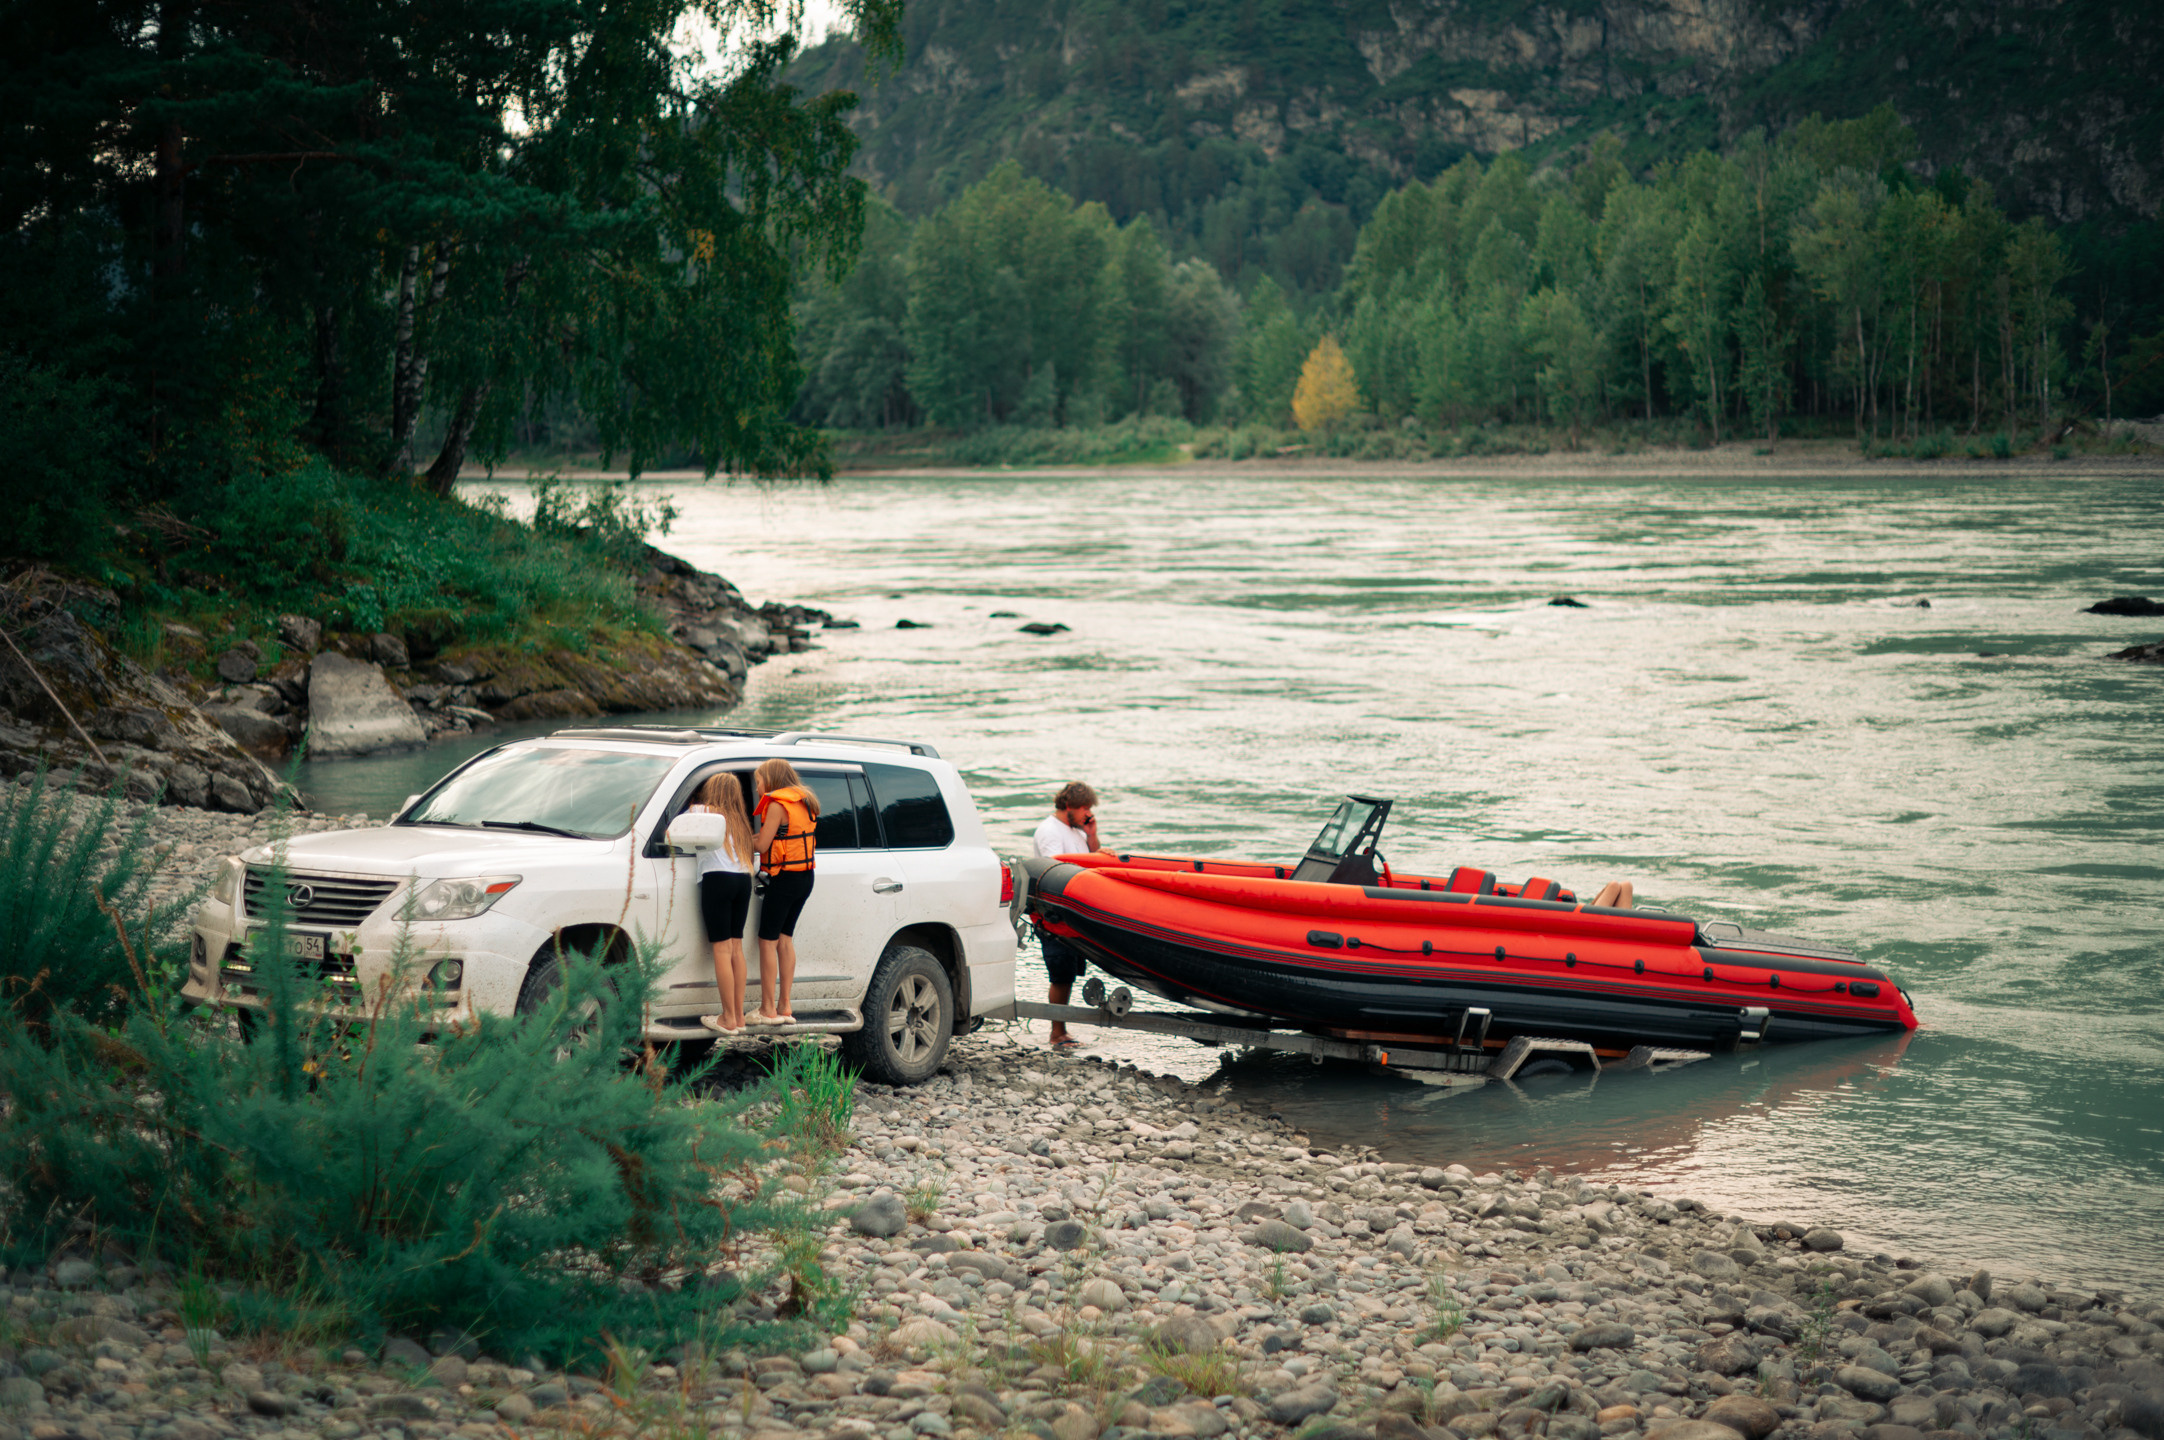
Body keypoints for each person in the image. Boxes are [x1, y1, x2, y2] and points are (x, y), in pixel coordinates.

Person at [1032, 781, 1110, 1049]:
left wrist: (1092, 837)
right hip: (1054, 913)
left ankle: (1062, 1029)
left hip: (1074, 912)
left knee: (1068, 974)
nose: (1088, 813)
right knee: (1060, 974)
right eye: (1084, 808)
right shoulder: (1049, 831)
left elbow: (1090, 857)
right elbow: (1057, 869)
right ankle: (1057, 1033)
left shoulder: (1076, 831)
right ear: (1069, 807)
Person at [682, 773, 755, 1034]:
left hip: (717, 880)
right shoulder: (741, 821)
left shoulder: (702, 811)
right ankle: (739, 1017)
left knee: (721, 950)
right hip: (743, 881)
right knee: (737, 948)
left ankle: (727, 1018)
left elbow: (679, 821)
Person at [749, 757, 819, 1025]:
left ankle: (767, 1009)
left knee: (768, 941)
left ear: (772, 779)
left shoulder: (778, 805)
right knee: (785, 939)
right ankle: (785, 1006)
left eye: (758, 782)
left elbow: (763, 844)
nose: (757, 789)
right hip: (805, 877)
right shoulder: (805, 802)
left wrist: (735, 839)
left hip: (785, 878)